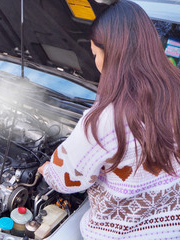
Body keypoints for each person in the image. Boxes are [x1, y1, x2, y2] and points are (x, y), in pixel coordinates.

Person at [38, 0, 180, 239]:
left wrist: (48, 170)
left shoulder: (104, 122)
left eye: (95, 54)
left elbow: (67, 180)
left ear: (111, 55)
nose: (95, 61)